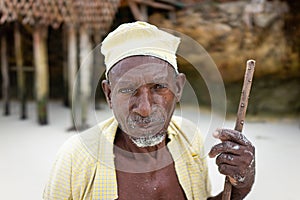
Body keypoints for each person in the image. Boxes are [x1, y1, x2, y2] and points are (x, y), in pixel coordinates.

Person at [43, 21, 255, 200]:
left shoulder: (189, 139)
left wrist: (239, 187)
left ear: (178, 88)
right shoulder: (76, 157)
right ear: (109, 94)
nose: (144, 109)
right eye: (127, 89)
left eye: (159, 87)